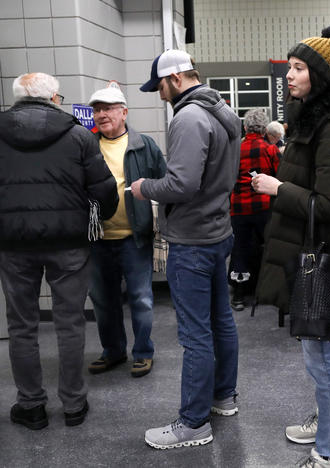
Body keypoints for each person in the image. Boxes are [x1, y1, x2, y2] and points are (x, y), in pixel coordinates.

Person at [253, 25, 330, 468]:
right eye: (290, 67)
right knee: (327, 348)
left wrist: (277, 188)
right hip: (310, 251)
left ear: (319, 75)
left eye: (299, 68)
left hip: (320, 256)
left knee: (321, 356)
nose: (290, 76)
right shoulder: (312, 123)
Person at [133, 49, 241, 449]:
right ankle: (223, 397)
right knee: (221, 320)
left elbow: (181, 185)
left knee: (195, 334)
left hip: (193, 241)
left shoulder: (188, 117)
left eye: (159, 85)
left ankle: (193, 423)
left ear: (176, 79)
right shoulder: (222, 111)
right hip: (217, 231)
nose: (158, 93)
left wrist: (144, 188)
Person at [0, 72, 118, 429]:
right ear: (53, 99)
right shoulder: (78, 135)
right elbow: (105, 190)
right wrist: (98, 218)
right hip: (69, 244)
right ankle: (73, 405)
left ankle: (31, 405)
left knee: (21, 326)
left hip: (14, 244)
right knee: (69, 323)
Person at [86, 84, 167, 379]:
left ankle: (143, 352)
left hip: (135, 237)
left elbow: (164, 182)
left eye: (108, 108)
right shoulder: (86, 146)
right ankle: (113, 351)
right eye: (97, 109)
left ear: (124, 112)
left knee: (141, 298)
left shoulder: (144, 145)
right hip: (97, 239)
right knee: (103, 300)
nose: (101, 114)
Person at [229, 108, 280, 311]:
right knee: (269, 247)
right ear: (264, 128)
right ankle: (269, 292)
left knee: (240, 249)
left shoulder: (235, 150)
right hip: (264, 207)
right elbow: (278, 177)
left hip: (239, 208)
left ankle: (239, 296)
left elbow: (228, 178)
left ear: (245, 126)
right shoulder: (270, 150)